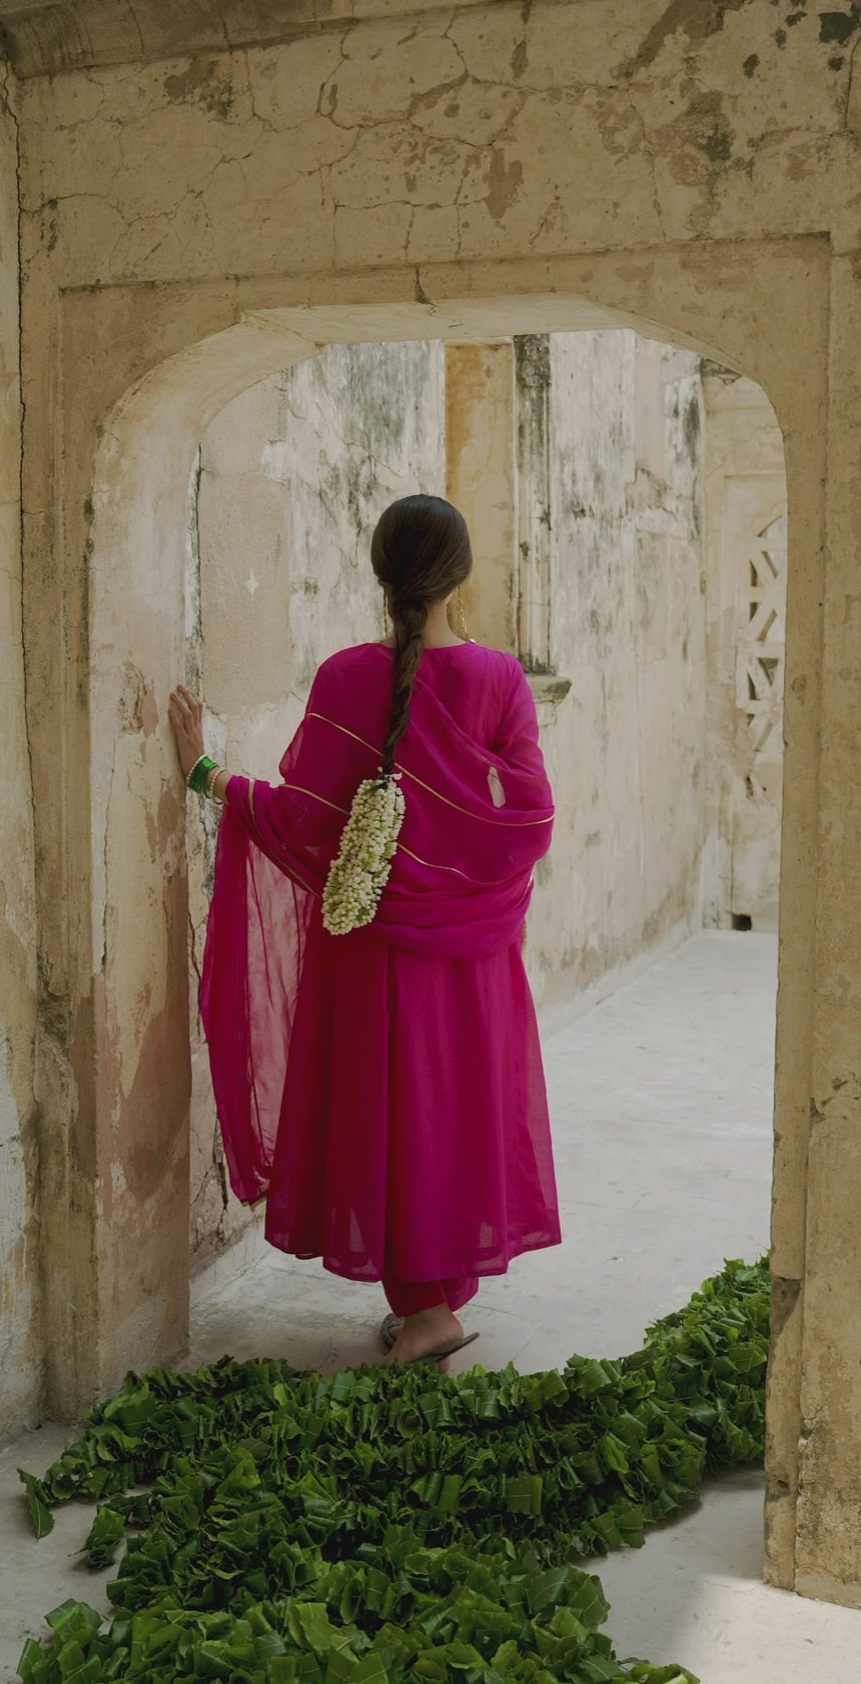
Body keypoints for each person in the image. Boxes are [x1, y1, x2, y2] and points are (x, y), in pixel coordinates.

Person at [168, 494, 561, 1365]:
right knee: (452, 1107)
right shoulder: (500, 681)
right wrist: (466, 889)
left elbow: (304, 822)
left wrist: (206, 774)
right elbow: (529, 821)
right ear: (461, 576)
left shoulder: (347, 680)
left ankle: (426, 1312)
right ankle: (435, 1301)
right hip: (473, 956)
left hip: (374, 954)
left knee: (394, 1114)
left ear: (381, 573)